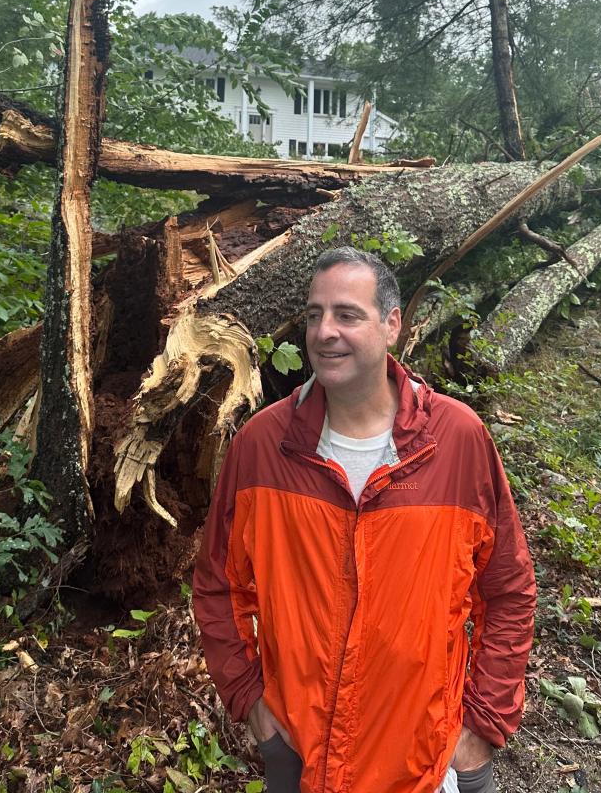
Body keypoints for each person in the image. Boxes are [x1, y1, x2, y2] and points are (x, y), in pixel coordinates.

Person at [193, 246, 536, 793]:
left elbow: (509, 591)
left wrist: (481, 727)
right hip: (299, 759)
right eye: (314, 314)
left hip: (430, 762)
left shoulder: (456, 442)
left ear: (392, 324)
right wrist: (253, 704)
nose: (324, 331)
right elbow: (217, 586)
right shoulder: (262, 447)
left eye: (347, 314)